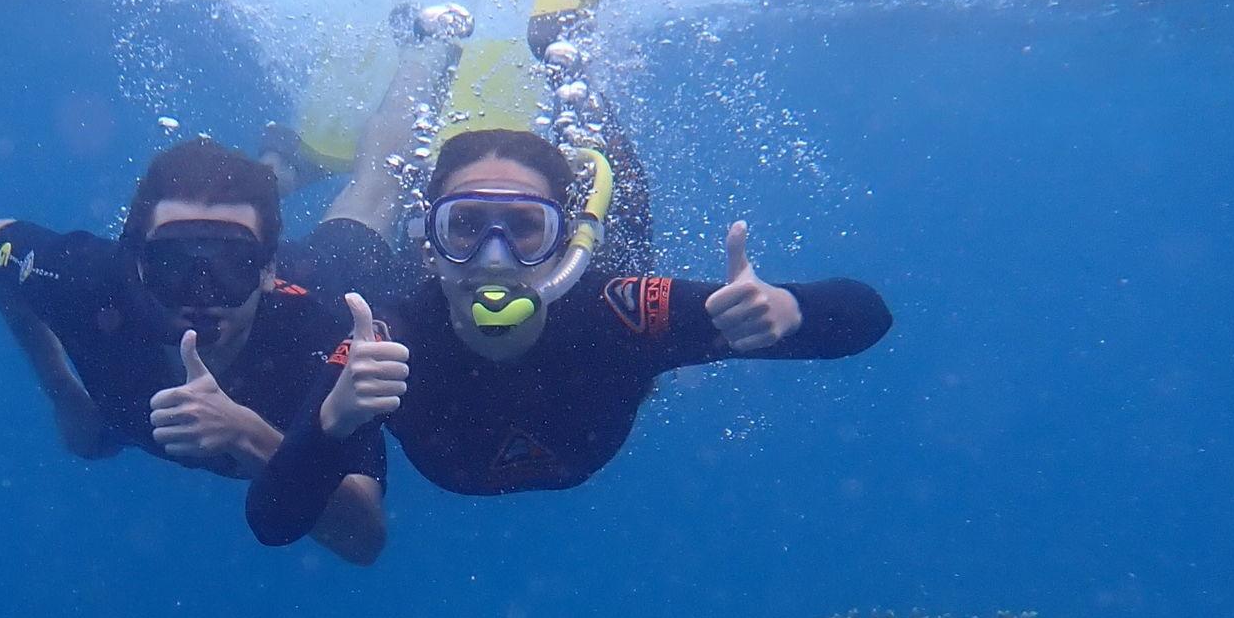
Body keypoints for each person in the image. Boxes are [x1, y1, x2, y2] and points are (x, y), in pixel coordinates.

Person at [247, 124, 891, 539]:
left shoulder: (622, 310)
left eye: (525, 228)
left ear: (566, 243)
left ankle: (567, 54)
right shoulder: (384, 343)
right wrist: (333, 419)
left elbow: (867, 316)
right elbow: (273, 521)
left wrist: (788, 309)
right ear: (428, 244)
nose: (493, 258)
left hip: (599, 292)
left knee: (626, 203)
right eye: (465, 227)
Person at [0, 138, 392, 565]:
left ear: (268, 269)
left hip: (323, 275)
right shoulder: (89, 282)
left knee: (373, 194)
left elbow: (363, 541)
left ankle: (414, 77)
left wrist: (246, 434)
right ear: (136, 264)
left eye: (233, 265)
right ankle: (276, 169)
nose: (200, 294)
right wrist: (64, 393)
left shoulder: (320, 345)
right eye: (172, 264)